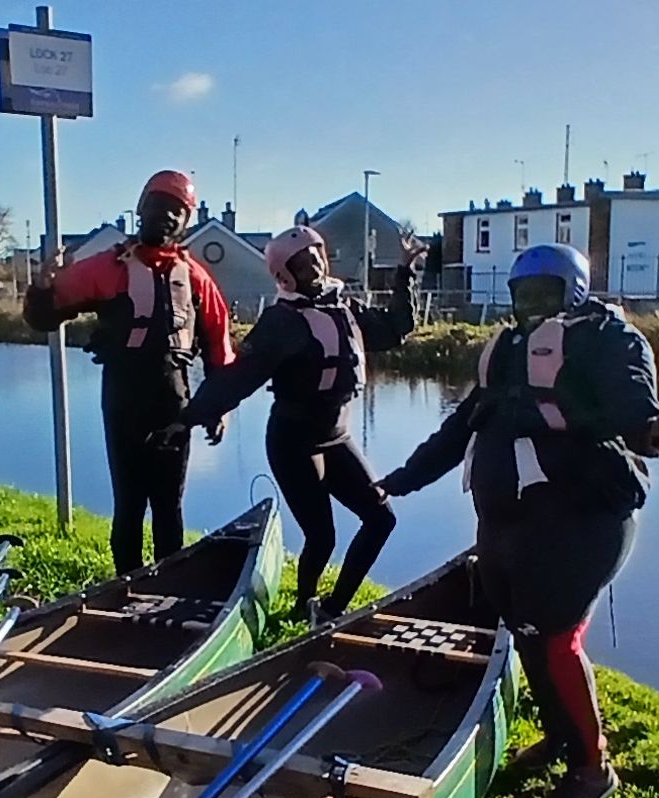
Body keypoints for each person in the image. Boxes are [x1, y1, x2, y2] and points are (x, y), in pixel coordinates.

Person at [377, 243, 659, 798]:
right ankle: (563, 737)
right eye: (524, 293)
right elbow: (463, 424)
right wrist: (405, 478)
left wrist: (648, 428)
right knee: (526, 631)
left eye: (547, 292)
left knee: (557, 638)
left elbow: (630, 398)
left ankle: (593, 770)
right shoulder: (511, 349)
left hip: (582, 520)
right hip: (514, 520)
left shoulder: (603, 339)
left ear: (575, 292)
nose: (533, 304)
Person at [155, 224, 425, 623]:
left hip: (337, 437)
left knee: (381, 518)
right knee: (322, 536)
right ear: (285, 274)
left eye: (316, 254)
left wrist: (405, 272)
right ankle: (303, 607)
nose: (313, 263)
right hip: (293, 443)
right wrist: (189, 418)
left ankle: (332, 609)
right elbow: (239, 377)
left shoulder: (345, 307)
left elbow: (396, 328)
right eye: (302, 261)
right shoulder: (281, 323)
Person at [23, 170, 234, 574]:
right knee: (130, 504)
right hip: (123, 402)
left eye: (177, 211)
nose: (167, 217)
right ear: (141, 210)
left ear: (186, 221)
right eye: (159, 207)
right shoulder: (108, 267)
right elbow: (45, 317)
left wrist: (218, 407)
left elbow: (220, 349)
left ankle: (168, 586)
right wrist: (42, 288)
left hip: (175, 405)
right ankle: (126, 587)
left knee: (169, 507)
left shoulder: (195, 279)